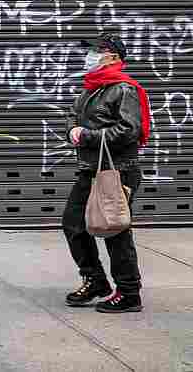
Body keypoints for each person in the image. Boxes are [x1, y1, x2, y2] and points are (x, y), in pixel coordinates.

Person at [63, 32, 151, 313]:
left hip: (118, 171)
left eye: (96, 51)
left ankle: (129, 293)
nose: (89, 56)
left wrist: (86, 135)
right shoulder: (92, 87)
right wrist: (72, 130)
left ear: (112, 57)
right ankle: (96, 280)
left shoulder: (123, 89)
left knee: (114, 230)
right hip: (90, 170)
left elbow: (129, 129)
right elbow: (72, 116)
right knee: (74, 225)